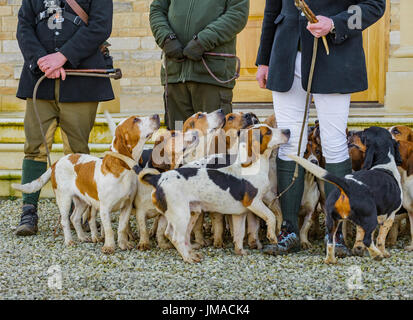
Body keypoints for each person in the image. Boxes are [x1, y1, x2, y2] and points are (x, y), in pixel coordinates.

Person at [256, 0, 386, 255]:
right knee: (289, 142)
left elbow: (374, 5)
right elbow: (273, 9)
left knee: (335, 143)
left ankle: (335, 233)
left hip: (335, 54)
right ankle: (289, 229)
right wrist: (264, 60)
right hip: (285, 55)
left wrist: (336, 23)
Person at [15, 0, 114, 236]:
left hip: (81, 79)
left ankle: (85, 212)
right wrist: (42, 60)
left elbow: (100, 26)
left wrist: (63, 56)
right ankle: (29, 210)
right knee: (34, 147)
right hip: (40, 79)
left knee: (77, 149)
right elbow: (24, 26)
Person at [149, 0, 250, 130]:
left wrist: (203, 41)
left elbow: (237, 14)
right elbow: (157, 10)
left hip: (211, 76)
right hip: (175, 77)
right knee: (178, 137)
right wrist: (166, 38)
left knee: (215, 143)